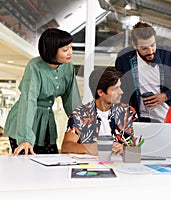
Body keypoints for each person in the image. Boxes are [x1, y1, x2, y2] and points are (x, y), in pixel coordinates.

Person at [4, 28, 82, 156]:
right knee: (27, 165)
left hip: (46, 122)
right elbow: (29, 101)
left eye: (71, 48)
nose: (70, 53)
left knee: (51, 163)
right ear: (51, 50)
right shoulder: (34, 66)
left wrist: (83, 126)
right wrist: (25, 138)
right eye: (65, 50)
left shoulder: (68, 67)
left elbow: (72, 100)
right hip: (23, 121)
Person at [115, 21, 171, 123]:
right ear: (134, 45)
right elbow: (120, 88)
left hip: (168, 117)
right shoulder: (124, 58)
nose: (150, 51)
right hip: (138, 119)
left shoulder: (170, 55)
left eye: (153, 45)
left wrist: (166, 96)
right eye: (144, 48)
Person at [61, 67, 138, 156]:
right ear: (100, 92)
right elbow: (66, 146)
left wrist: (125, 149)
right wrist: (90, 148)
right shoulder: (80, 115)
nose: (121, 92)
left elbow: (139, 144)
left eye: (120, 87)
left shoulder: (128, 112)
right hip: (92, 167)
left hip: (122, 166)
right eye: (115, 89)